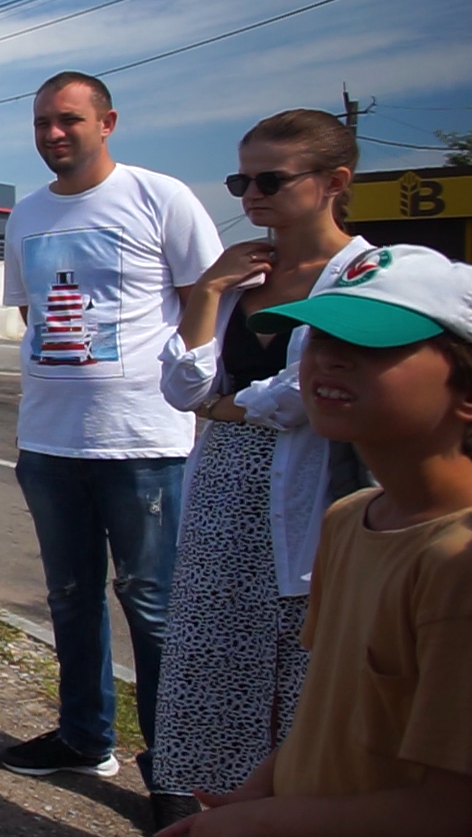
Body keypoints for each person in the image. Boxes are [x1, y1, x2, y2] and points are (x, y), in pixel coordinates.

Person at [154, 244, 472, 836]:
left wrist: (265, 822)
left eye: (373, 345)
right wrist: (266, 786)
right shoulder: (350, 518)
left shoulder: (458, 563)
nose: (329, 361)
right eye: (319, 339)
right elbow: (330, 710)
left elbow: (451, 808)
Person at [0, 72, 222, 815]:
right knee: (70, 598)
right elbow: (32, 316)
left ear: (108, 121)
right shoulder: (25, 215)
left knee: (154, 609)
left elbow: (205, 303)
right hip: (49, 440)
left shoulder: (161, 198)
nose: (54, 134)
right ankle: (85, 737)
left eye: (68, 120)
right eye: (42, 123)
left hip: (143, 441)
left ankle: (175, 772)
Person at [152, 110, 369, 816]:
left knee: (312, 687)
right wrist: (209, 291)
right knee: (218, 678)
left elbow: (304, 398)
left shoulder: (366, 275)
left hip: (313, 504)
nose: (251, 194)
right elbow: (183, 386)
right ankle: (220, 811)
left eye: (270, 179)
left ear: (335, 182)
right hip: (221, 502)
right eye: (240, 178)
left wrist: (221, 405)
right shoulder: (246, 275)